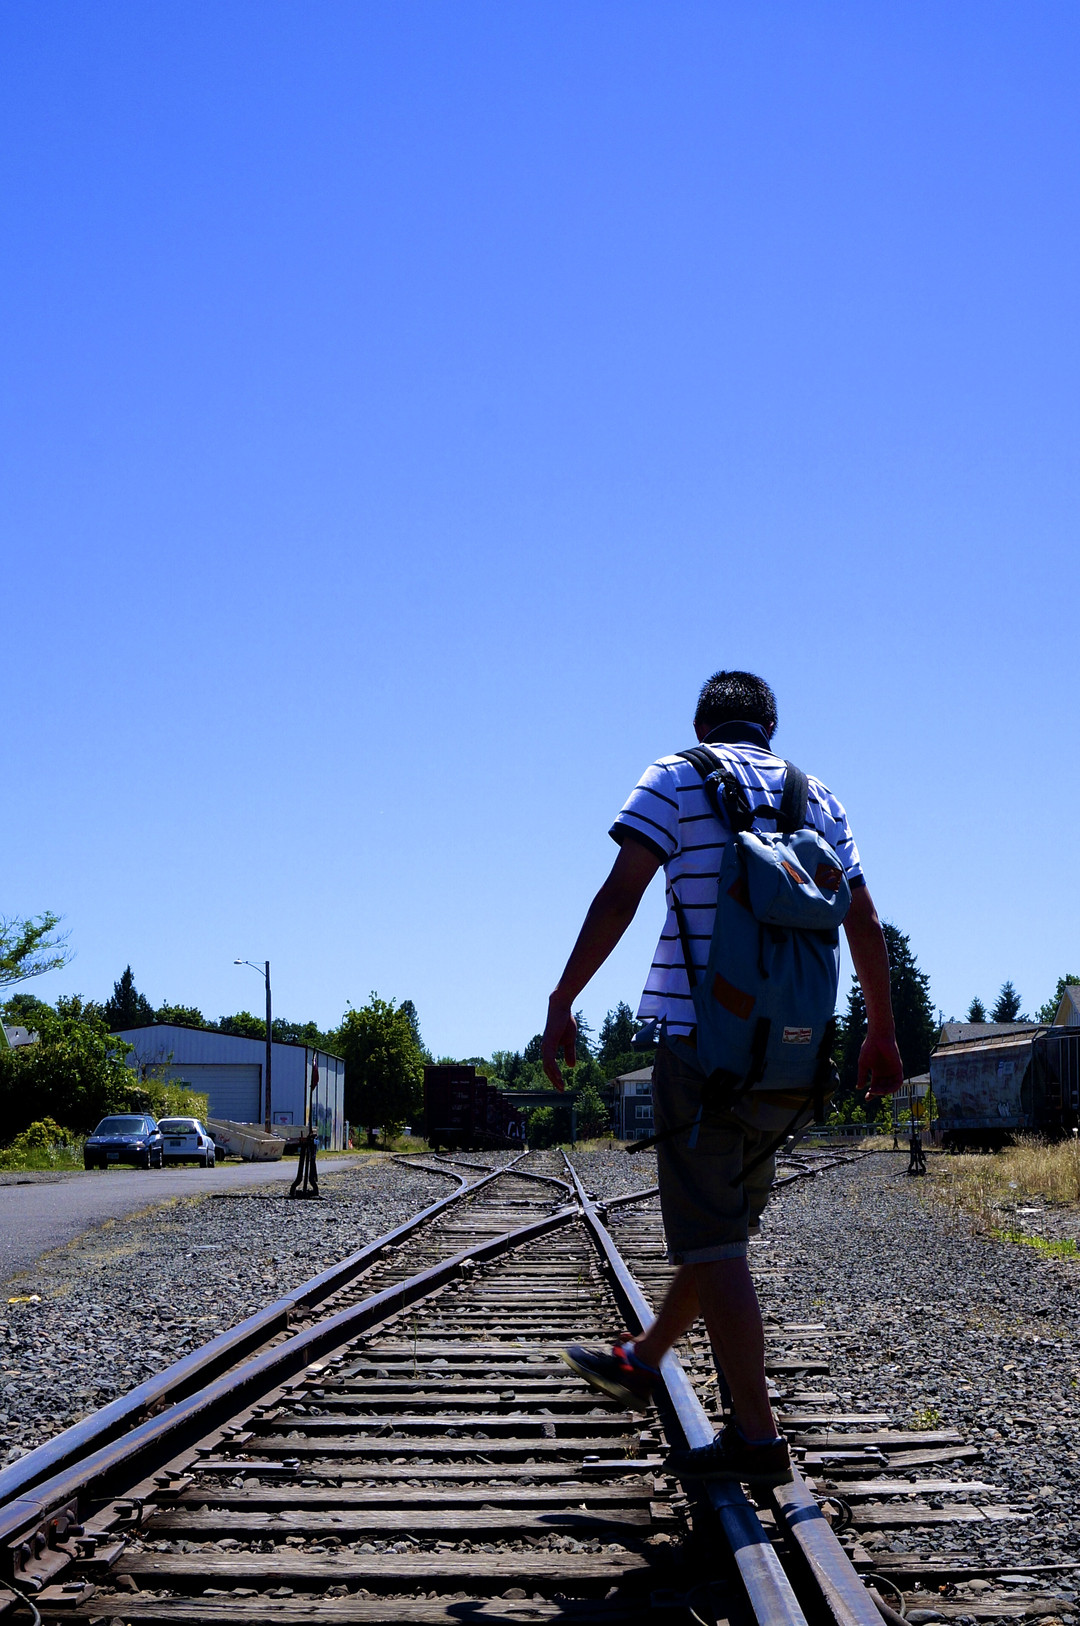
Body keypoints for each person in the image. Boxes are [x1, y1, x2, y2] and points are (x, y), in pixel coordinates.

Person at [542, 670, 903, 1485]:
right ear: (771, 727)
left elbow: (621, 895)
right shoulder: (819, 798)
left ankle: (758, 1439)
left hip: (702, 1048)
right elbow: (865, 920)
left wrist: (564, 999)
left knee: (713, 1241)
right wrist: (881, 1033)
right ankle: (645, 1358)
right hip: (793, 1057)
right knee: (720, 1234)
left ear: (702, 723)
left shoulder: (676, 776)